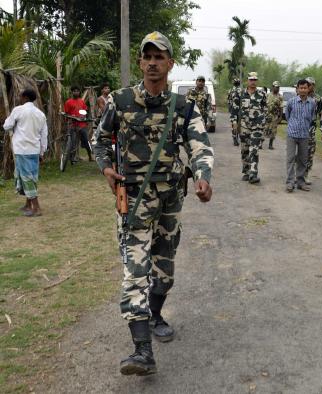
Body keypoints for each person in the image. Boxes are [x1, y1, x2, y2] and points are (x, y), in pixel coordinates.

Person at [94, 31, 214, 376]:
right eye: (146, 56)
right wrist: (105, 167)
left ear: (169, 63)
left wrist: (204, 175)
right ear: (141, 61)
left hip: (170, 201)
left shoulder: (183, 106)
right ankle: (141, 350)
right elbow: (99, 138)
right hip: (133, 203)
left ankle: (157, 313)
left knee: (164, 269)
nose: (151, 62)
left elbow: (200, 146)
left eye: (158, 57)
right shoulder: (120, 101)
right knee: (135, 272)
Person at [3, 88, 48, 217]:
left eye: (20, 96)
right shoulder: (40, 114)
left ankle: (36, 208)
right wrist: (42, 152)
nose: (19, 98)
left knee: (27, 178)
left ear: (25, 97)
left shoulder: (18, 110)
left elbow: (7, 126)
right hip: (34, 150)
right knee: (30, 177)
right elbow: (44, 134)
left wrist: (11, 119)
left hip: (22, 150)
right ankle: (28, 204)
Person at [231, 71, 267, 184]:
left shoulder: (262, 94)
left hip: (257, 127)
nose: (253, 82)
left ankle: (253, 174)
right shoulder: (240, 93)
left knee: (254, 150)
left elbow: (265, 109)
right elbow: (234, 109)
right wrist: (234, 123)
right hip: (243, 126)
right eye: (251, 79)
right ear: (247, 80)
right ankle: (246, 171)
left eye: (255, 80)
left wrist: (263, 125)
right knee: (245, 150)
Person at [285, 79, 316, 192]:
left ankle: (301, 182)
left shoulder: (312, 103)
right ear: (297, 89)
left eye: (305, 88)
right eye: (301, 88)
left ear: (308, 89)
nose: (303, 90)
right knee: (291, 159)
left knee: (303, 160)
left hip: (304, 135)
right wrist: (293, 125)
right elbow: (287, 116)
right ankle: (290, 182)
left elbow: (312, 117)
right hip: (292, 134)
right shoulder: (291, 102)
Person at [64, 85, 92, 161]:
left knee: (86, 140)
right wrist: (71, 116)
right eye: (74, 91)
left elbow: (85, 110)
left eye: (77, 91)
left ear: (79, 92)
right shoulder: (68, 102)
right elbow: (66, 113)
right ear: (72, 92)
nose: (76, 92)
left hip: (82, 124)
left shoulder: (81, 101)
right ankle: (72, 157)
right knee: (72, 142)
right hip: (72, 124)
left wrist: (83, 115)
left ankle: (90, 156)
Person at [304, 77, 322, 185]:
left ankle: (305, 174)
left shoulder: (318, 99)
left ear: (313, 86)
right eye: (306, 84)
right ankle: (297, 173)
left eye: (310, 84)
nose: (308, 86)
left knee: (309, 152)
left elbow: (320, 115)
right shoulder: (300, 95)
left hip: (311, 128)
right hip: (300, 127)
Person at [264, 81, 284, 150]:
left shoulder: (280, 97)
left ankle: (270, 144)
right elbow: (263, 105)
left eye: (278, 87)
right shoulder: (268, 95)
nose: (277, 88)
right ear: (272, 87)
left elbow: (281, 107)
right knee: (264, 129)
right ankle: (260, 143)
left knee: (273, 131)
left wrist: (280, 117)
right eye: (276, 87)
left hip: (274, 116)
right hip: (266, 115)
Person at [228, 78, 241, 146]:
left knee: (235, 125)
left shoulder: (231, 90)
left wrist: (230, 109)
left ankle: (235, 139)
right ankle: (235, 139)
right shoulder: (240, 90)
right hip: (236, 111)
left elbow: (229, 101)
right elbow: (229, 101)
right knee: (235, 125)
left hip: (236, 111)